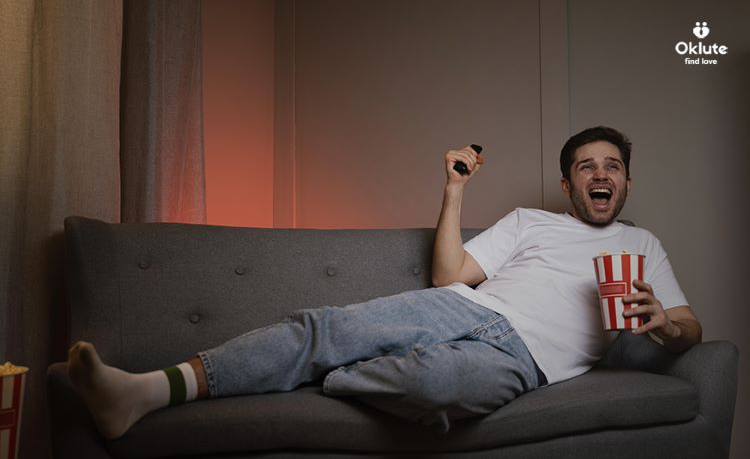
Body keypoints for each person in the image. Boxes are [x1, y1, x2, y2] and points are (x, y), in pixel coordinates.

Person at [68, 126, 702, 440]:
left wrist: (666, 322)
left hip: (525, 360)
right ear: (568, 185)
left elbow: (689, 328)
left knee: (433, 388)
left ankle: (320, 369)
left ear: (625, 182)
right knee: (326, 328)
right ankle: (146, 390)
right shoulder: (529, 221)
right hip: (459, 308)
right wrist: (453, 190)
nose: (601, 174)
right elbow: (448, 275)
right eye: (586, 166)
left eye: (612, 166)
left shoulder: (641, 246)